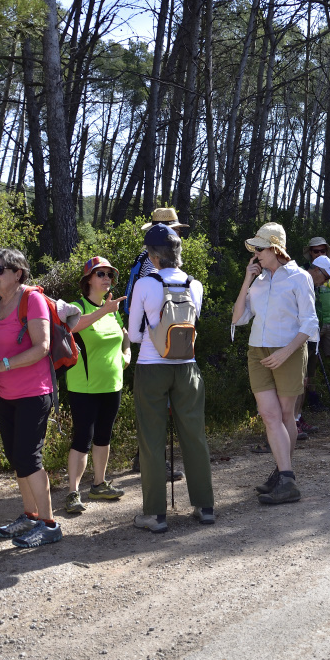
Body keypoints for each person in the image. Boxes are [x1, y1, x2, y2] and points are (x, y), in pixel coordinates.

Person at [0, 248, 62, 547]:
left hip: (34, 393)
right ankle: (31, 516)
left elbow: (42, 347)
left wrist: (0, 365)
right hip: (6, 394)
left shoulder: (32, 300)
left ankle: (50, 525)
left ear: (18, 273)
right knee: (17, 458)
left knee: (29, 459)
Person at [129, 225, 214, 531]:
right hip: (188, 368)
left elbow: (135, 335)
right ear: (178, 252)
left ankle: (155, 515)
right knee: (194, 436)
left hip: (151, 367)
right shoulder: (195, 285)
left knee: (151, 441)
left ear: (153, 255)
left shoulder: (145, 284)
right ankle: (205, 507)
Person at [232, 222, 319, 505]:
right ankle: (284, 475)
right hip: (257, 351)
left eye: (260, 248)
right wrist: (247, 280)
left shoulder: (299, 277)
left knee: (284, 416)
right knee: (269, 415)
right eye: (255, 249)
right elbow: (237, 318)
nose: (255, 253)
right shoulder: (258, 280)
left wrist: (286, 352)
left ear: (275, 248)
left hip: (289, 350)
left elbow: (310, 322)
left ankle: (285, 477)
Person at [124, 207, 189, 482]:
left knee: (155, 407)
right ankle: (154, 461)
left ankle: (144, 457)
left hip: (148, 335)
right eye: (176, 230)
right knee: (159, 408)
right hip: (156, 339)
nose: (178, 235)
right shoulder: (155, 262)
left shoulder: (144, 257)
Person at [62, 256, 129, 515]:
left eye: (109, 274)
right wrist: (104, 310)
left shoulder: (113, 309)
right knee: (83, 439)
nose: (106, 278)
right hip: (84, 387)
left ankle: (99, 484)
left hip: (112, 384)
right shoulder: (76, 307)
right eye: (100, 274)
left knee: (103, 436)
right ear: (88, 279)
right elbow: (73, 327)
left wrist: (127, 355)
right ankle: (72, 492)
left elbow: (123, 335)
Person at [300, 254, 330, 432]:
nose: (326, 281)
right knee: (301, 376)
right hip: (299, 336)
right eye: (325, 277)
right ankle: (295, 417)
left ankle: (297, 417)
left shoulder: (313, 283)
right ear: (317, 270)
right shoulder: (301, 280)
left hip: (313, 333)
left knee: (306, 376)